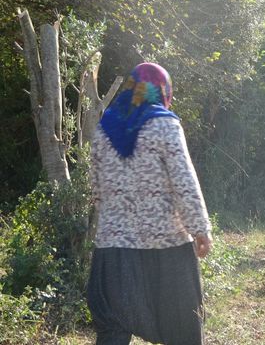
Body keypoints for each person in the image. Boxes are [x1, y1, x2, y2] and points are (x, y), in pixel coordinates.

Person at [87, 63, 213, 345]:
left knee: (113, 330)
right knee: (182, 328)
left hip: (113, 247)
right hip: (165, 247)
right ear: (162, 91)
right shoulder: (165, 125)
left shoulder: (104, 129)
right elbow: (184, 180)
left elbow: (96, 188)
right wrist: (200, 228)